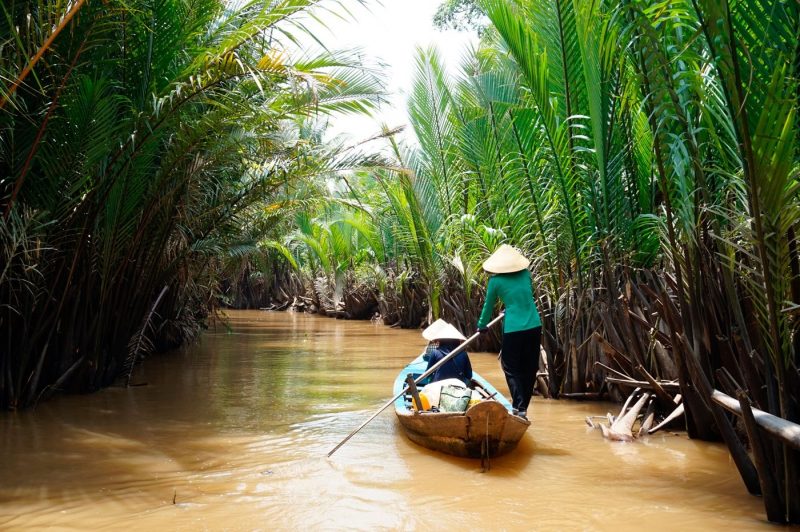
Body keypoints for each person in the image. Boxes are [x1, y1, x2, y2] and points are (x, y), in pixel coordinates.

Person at [477, 244, 541, 420]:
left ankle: (518, 405)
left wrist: (482, 325)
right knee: (529, 367)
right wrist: (510, 308)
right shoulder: (525, 274)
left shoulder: (495, 282)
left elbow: (488, 306)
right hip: (534, 325)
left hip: (514, 328)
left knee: (510, 367)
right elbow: (522, 297)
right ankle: (523, 408)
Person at [421, 319, 473, 385]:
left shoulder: (435, 352)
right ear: (457, 340)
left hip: (438, 386)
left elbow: (427, 374)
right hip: (458, 386)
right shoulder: (463, 354)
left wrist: (431, 381)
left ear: (441, 340)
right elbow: (469, 375)